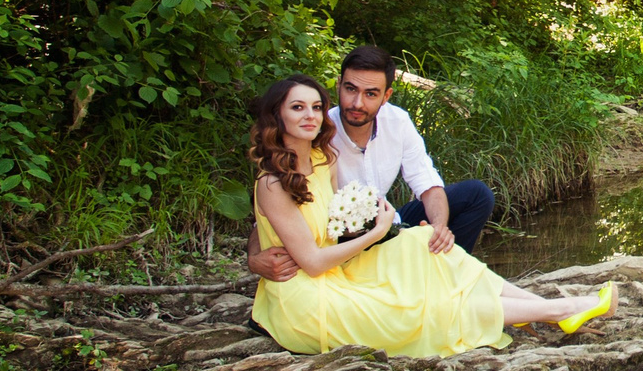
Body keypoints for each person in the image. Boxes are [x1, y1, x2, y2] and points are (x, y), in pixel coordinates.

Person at [246, 75, 613, 356]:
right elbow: (307, 260)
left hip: (339, 266)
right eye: (297, 108)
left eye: (314, 107)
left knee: (424, 243)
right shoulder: (272, 183)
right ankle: (560, 309)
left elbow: (423, 179)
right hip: (307, 295)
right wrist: (375, 234)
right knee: (415, 308)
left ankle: (547, 309)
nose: (310, 115)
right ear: (277, 114)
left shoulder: (325, 158)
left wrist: (394, 228)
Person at [247, 44, 488, 285]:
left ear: (386, 96)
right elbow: (276, 199)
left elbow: (426, 181)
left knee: (476, 194)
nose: (357, 103)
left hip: (387, 222)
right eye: (351, 89)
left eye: (371, 94)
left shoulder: (397, 121)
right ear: (339, 84)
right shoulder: (316, 131)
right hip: (345, 239)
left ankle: (449, 280)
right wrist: (254, 258)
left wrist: (438, 227)